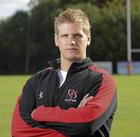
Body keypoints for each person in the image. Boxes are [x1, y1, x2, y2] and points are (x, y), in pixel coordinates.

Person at [11, 8, 117, 137]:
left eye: (77, 36)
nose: (71, 41)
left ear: (88, 38)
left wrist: (40, 113)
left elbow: (87, 123)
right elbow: (19, 130)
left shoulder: (101, 80)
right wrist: (74, 119)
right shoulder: (36, 80)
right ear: (56, 40)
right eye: (65, 35)